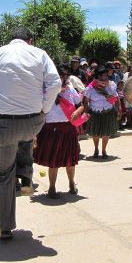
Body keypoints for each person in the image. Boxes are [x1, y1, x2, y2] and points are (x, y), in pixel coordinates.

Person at [0, 27, 61, 240]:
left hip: (5, 123)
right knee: (26, 138)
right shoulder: (39, 53)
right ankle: (27, 176)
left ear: (11, 40)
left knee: (3, 174)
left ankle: (5, 227)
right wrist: (44, 109)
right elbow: (56, 83)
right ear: (29, 40)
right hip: (32, 121)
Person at [33, 64, 85, 198]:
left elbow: (82, 105)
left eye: (61, 77)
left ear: (64, 78)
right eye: (56, 77)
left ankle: (72, 184)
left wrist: (78, 111)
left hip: (68, 129)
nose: (58, 80)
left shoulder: (70, 91)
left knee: (70, 161)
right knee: (53, 161)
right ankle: (51, 188)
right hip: (51, 130)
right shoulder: (44, 92)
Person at [83, 65, 119, 158]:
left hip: (108, 111)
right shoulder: (90, 88)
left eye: (106, 75)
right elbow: (86, 101)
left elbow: (116, 98)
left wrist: (118, 109)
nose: (106, 77)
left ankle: (104, 151)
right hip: (95, 112)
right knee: (96, 133)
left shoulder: (111, 85)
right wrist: (86, 113)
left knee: (106, 133)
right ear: (98, 76)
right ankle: (96, 149)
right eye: (104, 75)